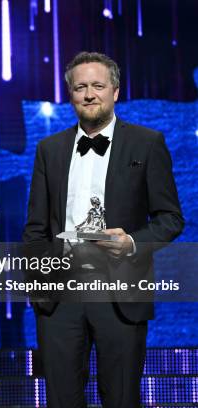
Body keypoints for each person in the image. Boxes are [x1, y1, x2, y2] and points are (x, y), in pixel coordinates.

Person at [23, 51, 183, 407]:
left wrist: (131, 243)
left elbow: (171, 218)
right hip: (60, 296)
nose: (89, 94)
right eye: (81, 87)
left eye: (98, 85)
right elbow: (34, 229)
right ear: (70, 94)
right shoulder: (49, 149)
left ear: (115, 91)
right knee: (62, 399)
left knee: (122, 398)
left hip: (121, 293)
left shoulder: (147, 143)